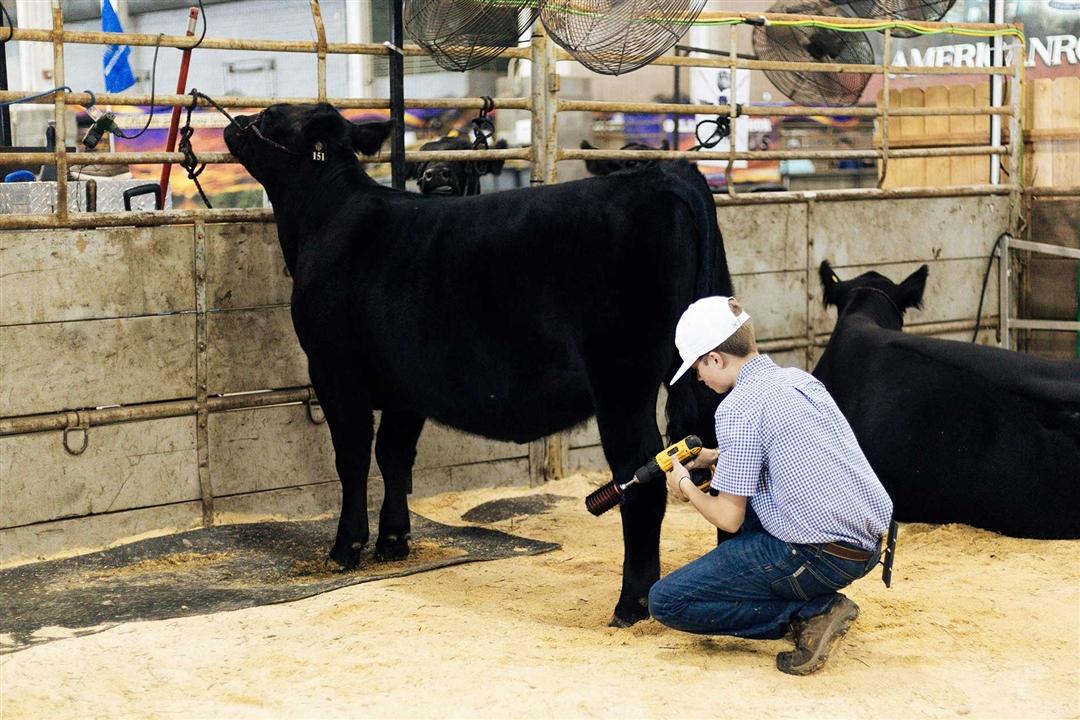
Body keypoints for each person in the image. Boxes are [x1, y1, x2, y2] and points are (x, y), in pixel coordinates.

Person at [648, 296, 893, 676]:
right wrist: (716, 456)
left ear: (716, 358)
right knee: (745, 498)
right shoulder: (798, 379)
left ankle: (811, 612)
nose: (698, 378)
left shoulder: (735, 407)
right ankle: (801, 597)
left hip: (818, 557)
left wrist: (686, 486)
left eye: (697, 367)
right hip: (869, 544)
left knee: (666, 601)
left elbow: (728, 518)